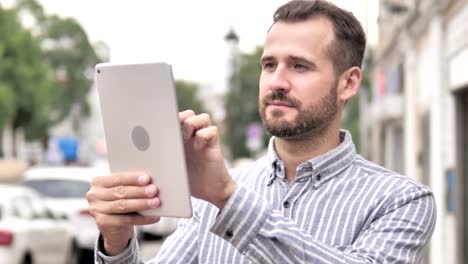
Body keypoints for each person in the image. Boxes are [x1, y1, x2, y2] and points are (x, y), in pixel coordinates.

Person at [87, 0, 436, 263]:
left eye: (299, 66)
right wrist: (117, 242)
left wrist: (228, 200)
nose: (277, 82)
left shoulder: (400, 201)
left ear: (348, 83)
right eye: (269, 65)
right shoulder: (209, 199)